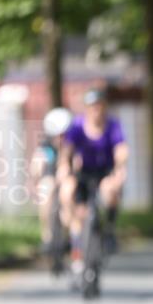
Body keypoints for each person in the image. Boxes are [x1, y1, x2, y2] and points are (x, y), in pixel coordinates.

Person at [58, 88, 128, 272]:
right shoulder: (77, 126)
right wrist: (64, 167)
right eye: (92, 106)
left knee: (110, 190)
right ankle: (75, 245)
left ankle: (110, 230)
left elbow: (121, 149)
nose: (96, 110)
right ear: (87, 108)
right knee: (67, 193)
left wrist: (121, 168)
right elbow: (67, 149)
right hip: (83, 173)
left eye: (99, 106)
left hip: (104, 172)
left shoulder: (113, 125)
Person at [32, 107, 72, 250]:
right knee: (45, 190)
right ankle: (47, 236)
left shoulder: (74, 145)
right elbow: (37, 163)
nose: (60, 138)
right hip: (50, 178)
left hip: (70, 179)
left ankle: (69, 234)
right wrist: (36, 175)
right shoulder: (46, 146)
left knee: (68, 192)